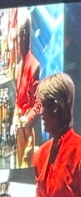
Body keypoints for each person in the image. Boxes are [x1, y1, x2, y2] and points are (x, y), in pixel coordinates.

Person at [12, 9, 40, 168]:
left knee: (25, 166)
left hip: (27, 130)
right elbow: (17, 100)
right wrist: (15, 118)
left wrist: (26, 120)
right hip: (19, 128)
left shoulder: (34, 66)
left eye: (21, 38)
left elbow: (38, 104)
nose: (18, 42)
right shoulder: (18, 68)